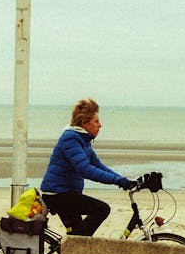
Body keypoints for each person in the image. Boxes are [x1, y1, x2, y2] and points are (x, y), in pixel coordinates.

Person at [40, 98, 134, 236]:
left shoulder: (83, 141)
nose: (100, 125)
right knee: (102, 209)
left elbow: (99, 166)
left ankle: (73, 252)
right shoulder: (71, 139)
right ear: (84, 123)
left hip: (66, 194)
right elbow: (86, 169)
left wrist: (123, 180)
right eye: (96, 121)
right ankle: (75, 249)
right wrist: (117, 181)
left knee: (78, 236)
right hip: (58, 195)